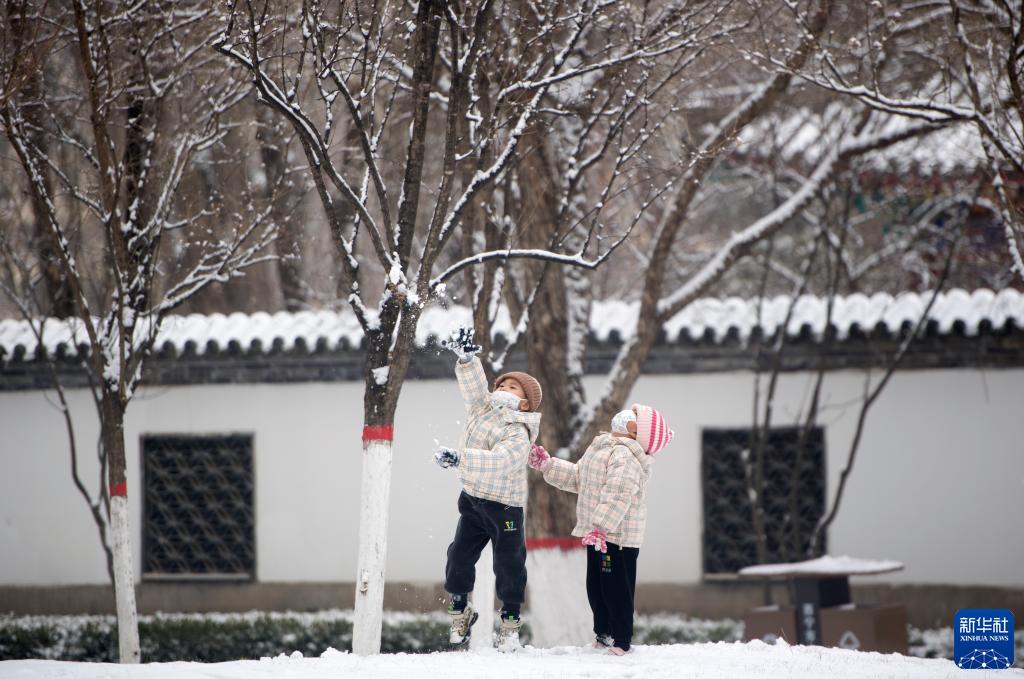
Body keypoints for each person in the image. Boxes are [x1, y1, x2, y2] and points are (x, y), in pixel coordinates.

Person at [529, 404, 673, 655]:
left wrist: (602, 526)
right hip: (597, 534)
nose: (628, 414)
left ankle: (621, 640)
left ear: (637, 432)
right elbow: (578, 477)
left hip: (617, 537)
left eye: (636, 417)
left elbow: (618, 494)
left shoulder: (627, 457)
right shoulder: (602, 447)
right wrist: (548, 465)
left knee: (616, 588)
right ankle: (603, 634)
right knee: (596, 587)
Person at [434, 328, 542, 651]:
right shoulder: (483, 409)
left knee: (508, 564)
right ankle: (460, 610)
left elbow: (501, 462)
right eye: (501, 384)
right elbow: (475, 389)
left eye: (511, 387)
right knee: (458, 556)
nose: (502, 388)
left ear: (524, 404)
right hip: (473, 501)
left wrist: (461, 459)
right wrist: (467, 360)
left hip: (504, 507)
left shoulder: (518, 431)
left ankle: (509, 623)